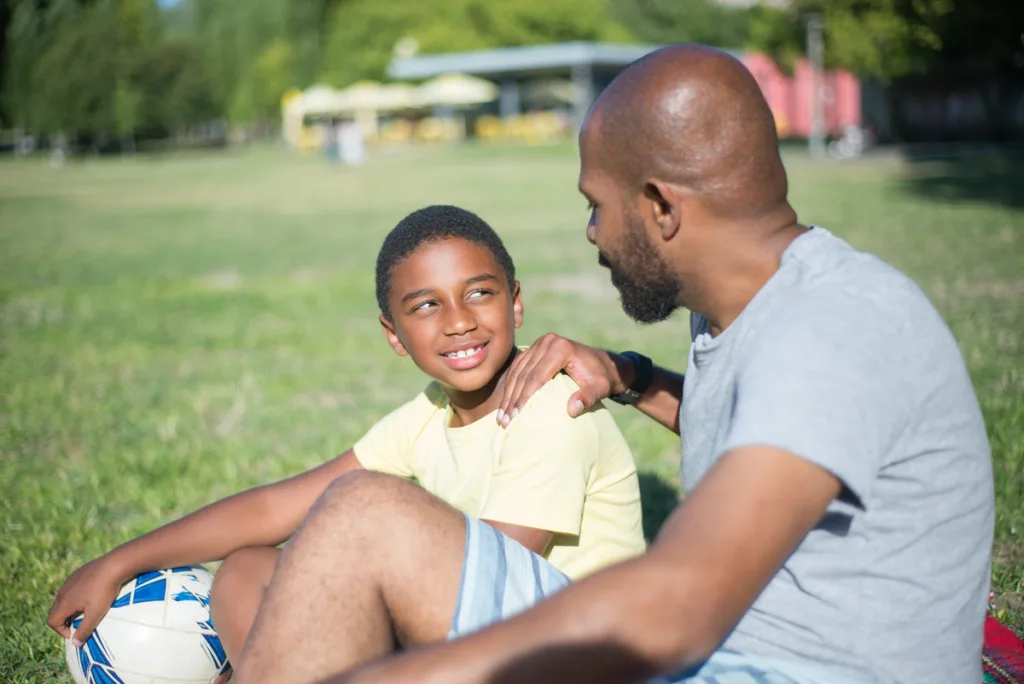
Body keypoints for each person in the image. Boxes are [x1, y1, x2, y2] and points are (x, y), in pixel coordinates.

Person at [233, 44, 995, 684]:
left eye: (597, 204)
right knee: (355, 517)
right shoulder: (752, 305)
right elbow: (758, 418)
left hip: (773, 669)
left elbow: (678, 603)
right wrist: (631, 377)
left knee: (368, 516)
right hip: (734, 659)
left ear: (661, 206)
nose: (592, 233)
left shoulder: (835, 324)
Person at [46, 205, 646, 676]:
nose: (459, 320)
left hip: (568, 656)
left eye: (479, 293)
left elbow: (489, 585)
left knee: (356, 533)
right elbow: (276, 508)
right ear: (394, 335)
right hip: (484, 631)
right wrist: (121, 561)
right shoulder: (428, 415)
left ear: (515, 301)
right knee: (250, 568)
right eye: (426, 306)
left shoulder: (551, 408)